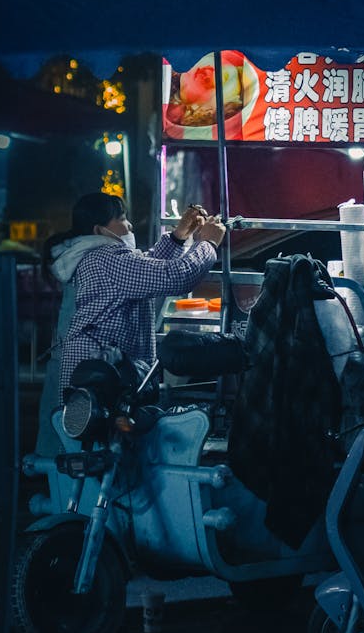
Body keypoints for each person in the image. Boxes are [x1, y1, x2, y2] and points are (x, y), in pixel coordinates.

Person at [34, 193, 225, 458]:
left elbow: (143, 268)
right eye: (122, 218)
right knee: (97, 457)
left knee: (92, 454)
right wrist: (208, 244)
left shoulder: (99, 256)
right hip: (100, 378)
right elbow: (175, 276)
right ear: (100, 230)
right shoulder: (105, 258)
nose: (130, 225)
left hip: (98, 372)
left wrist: (178, 237)